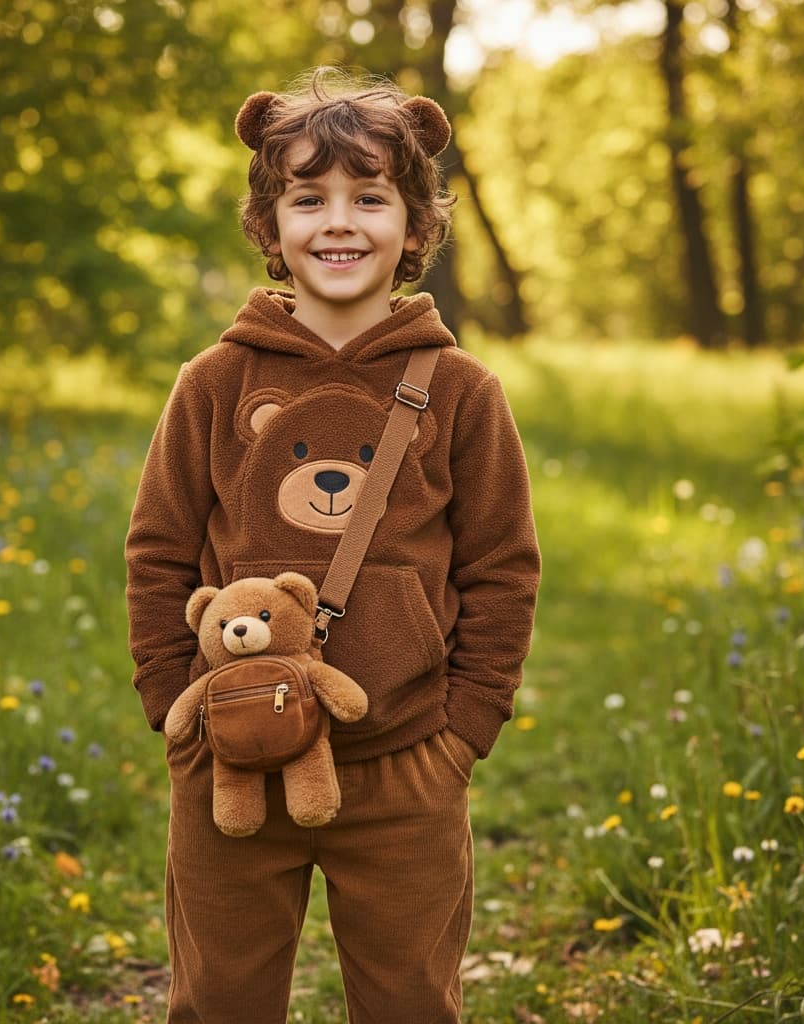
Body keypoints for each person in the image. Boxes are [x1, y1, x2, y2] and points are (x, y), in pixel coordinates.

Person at [125, 67, 540, 1024]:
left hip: (407, 763)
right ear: (270, 225)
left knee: (409, 1003)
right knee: (219, 998)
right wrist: (171, 710)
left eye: (370, 196)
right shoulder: (213, 382)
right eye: (308, 198)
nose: (338, 222)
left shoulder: (464, 391)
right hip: (233, 758)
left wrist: (463, 732)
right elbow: (157, 551)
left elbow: (502, 567)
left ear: (415, 222)